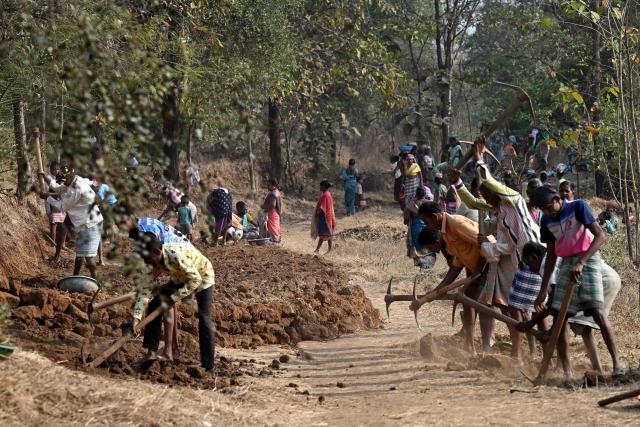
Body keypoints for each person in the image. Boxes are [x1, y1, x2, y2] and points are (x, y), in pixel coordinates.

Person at [451, 139, 542, 353]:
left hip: (532, 260)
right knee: (514, 308)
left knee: (529, 308)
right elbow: (474, 203)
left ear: (496, 192)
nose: (485, 198)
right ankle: (522, 351)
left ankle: (532, 349)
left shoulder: (514, 199)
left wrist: (479, 158)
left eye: (488, 193)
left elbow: (489, 182)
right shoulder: (499, 209)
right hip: (514, 264)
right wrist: (458, 183)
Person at [532, 185, 623, 377]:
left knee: (597, 311)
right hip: (566, 262)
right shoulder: (547, 220)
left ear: (558, 199)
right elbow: (550, 255)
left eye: (549, 207)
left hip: (588, 259)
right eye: (544, 209)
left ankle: (617, 366)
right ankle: (567, 373)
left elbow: (600, 236)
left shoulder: (578, 207)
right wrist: (543, 289)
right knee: (559, 317)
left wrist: (581, 262)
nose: (548, 212)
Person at [417, 201, 494, 354]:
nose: (427, 225)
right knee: (467, 301)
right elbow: (457, 264)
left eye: (427, 221)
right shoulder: (445, 233)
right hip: (474, 270)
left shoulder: (457, 224)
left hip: (490, 266)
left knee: (483, 305)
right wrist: (440, 289)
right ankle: (469, 345)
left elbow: (488, 242)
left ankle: (487, 348)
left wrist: (479, 269)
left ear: (435, 217)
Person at [133, 234, 215, 375]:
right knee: (155, 303)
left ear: (157, 253)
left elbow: (195, 279)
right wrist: (136, 317)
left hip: (202, 275)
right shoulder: (153, 261)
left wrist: (173, 298)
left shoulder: (175, 255)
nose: (146, 263)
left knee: (205, 319)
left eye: (148, 259)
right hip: (180, 277)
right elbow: (145, 290)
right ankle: (152, 352)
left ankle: (208, 367)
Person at [41, 165, 103, 278]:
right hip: (83, 222)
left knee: (88, 256)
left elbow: (63, 207)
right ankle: (74, 278)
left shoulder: (77, 188)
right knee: (80, 253)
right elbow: (60, 188)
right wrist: (47, 179)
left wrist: (48, 198)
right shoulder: (74, 180)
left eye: (65, 181)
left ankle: (96, 280)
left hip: (90, 223)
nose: (64, 183)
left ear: (69, 177)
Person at [508, 242, 548, 362]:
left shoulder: (535, 263)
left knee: (514, 306)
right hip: (534, 261)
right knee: (540, 313)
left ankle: (517, 354)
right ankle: (546, 356)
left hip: (530, 267)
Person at [404, 187, 434, 268]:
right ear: (425, 194)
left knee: (418, 247)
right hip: (428, 228)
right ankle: (428, 265)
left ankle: (421, 264)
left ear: (416, 195)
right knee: (428, 246)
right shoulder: (429, 203)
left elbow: (406, 218)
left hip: (416, 228)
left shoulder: (411, 204)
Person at [312, 180, 336, 254]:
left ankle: (327, 249)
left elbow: (322, 208)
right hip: (328, 217)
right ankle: (319, 249)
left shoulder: (325, 195)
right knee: (326, 234)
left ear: (324, 187)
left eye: (321, 186)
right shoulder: (327, 194)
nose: (320, 187)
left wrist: (316, 214)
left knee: (326, 233)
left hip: (325, 218)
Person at [44, 161, 66, 245]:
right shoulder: (49, 178)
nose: (56, 171)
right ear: (50, 169)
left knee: (61, 226)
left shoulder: (60, 178)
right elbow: (46, 193)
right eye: (54, 169)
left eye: (57, 169)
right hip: (53, 205)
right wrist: (48, 209)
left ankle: (62, 243)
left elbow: (62, 192)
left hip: (61, 205)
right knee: (53, 225)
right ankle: (53, 242)